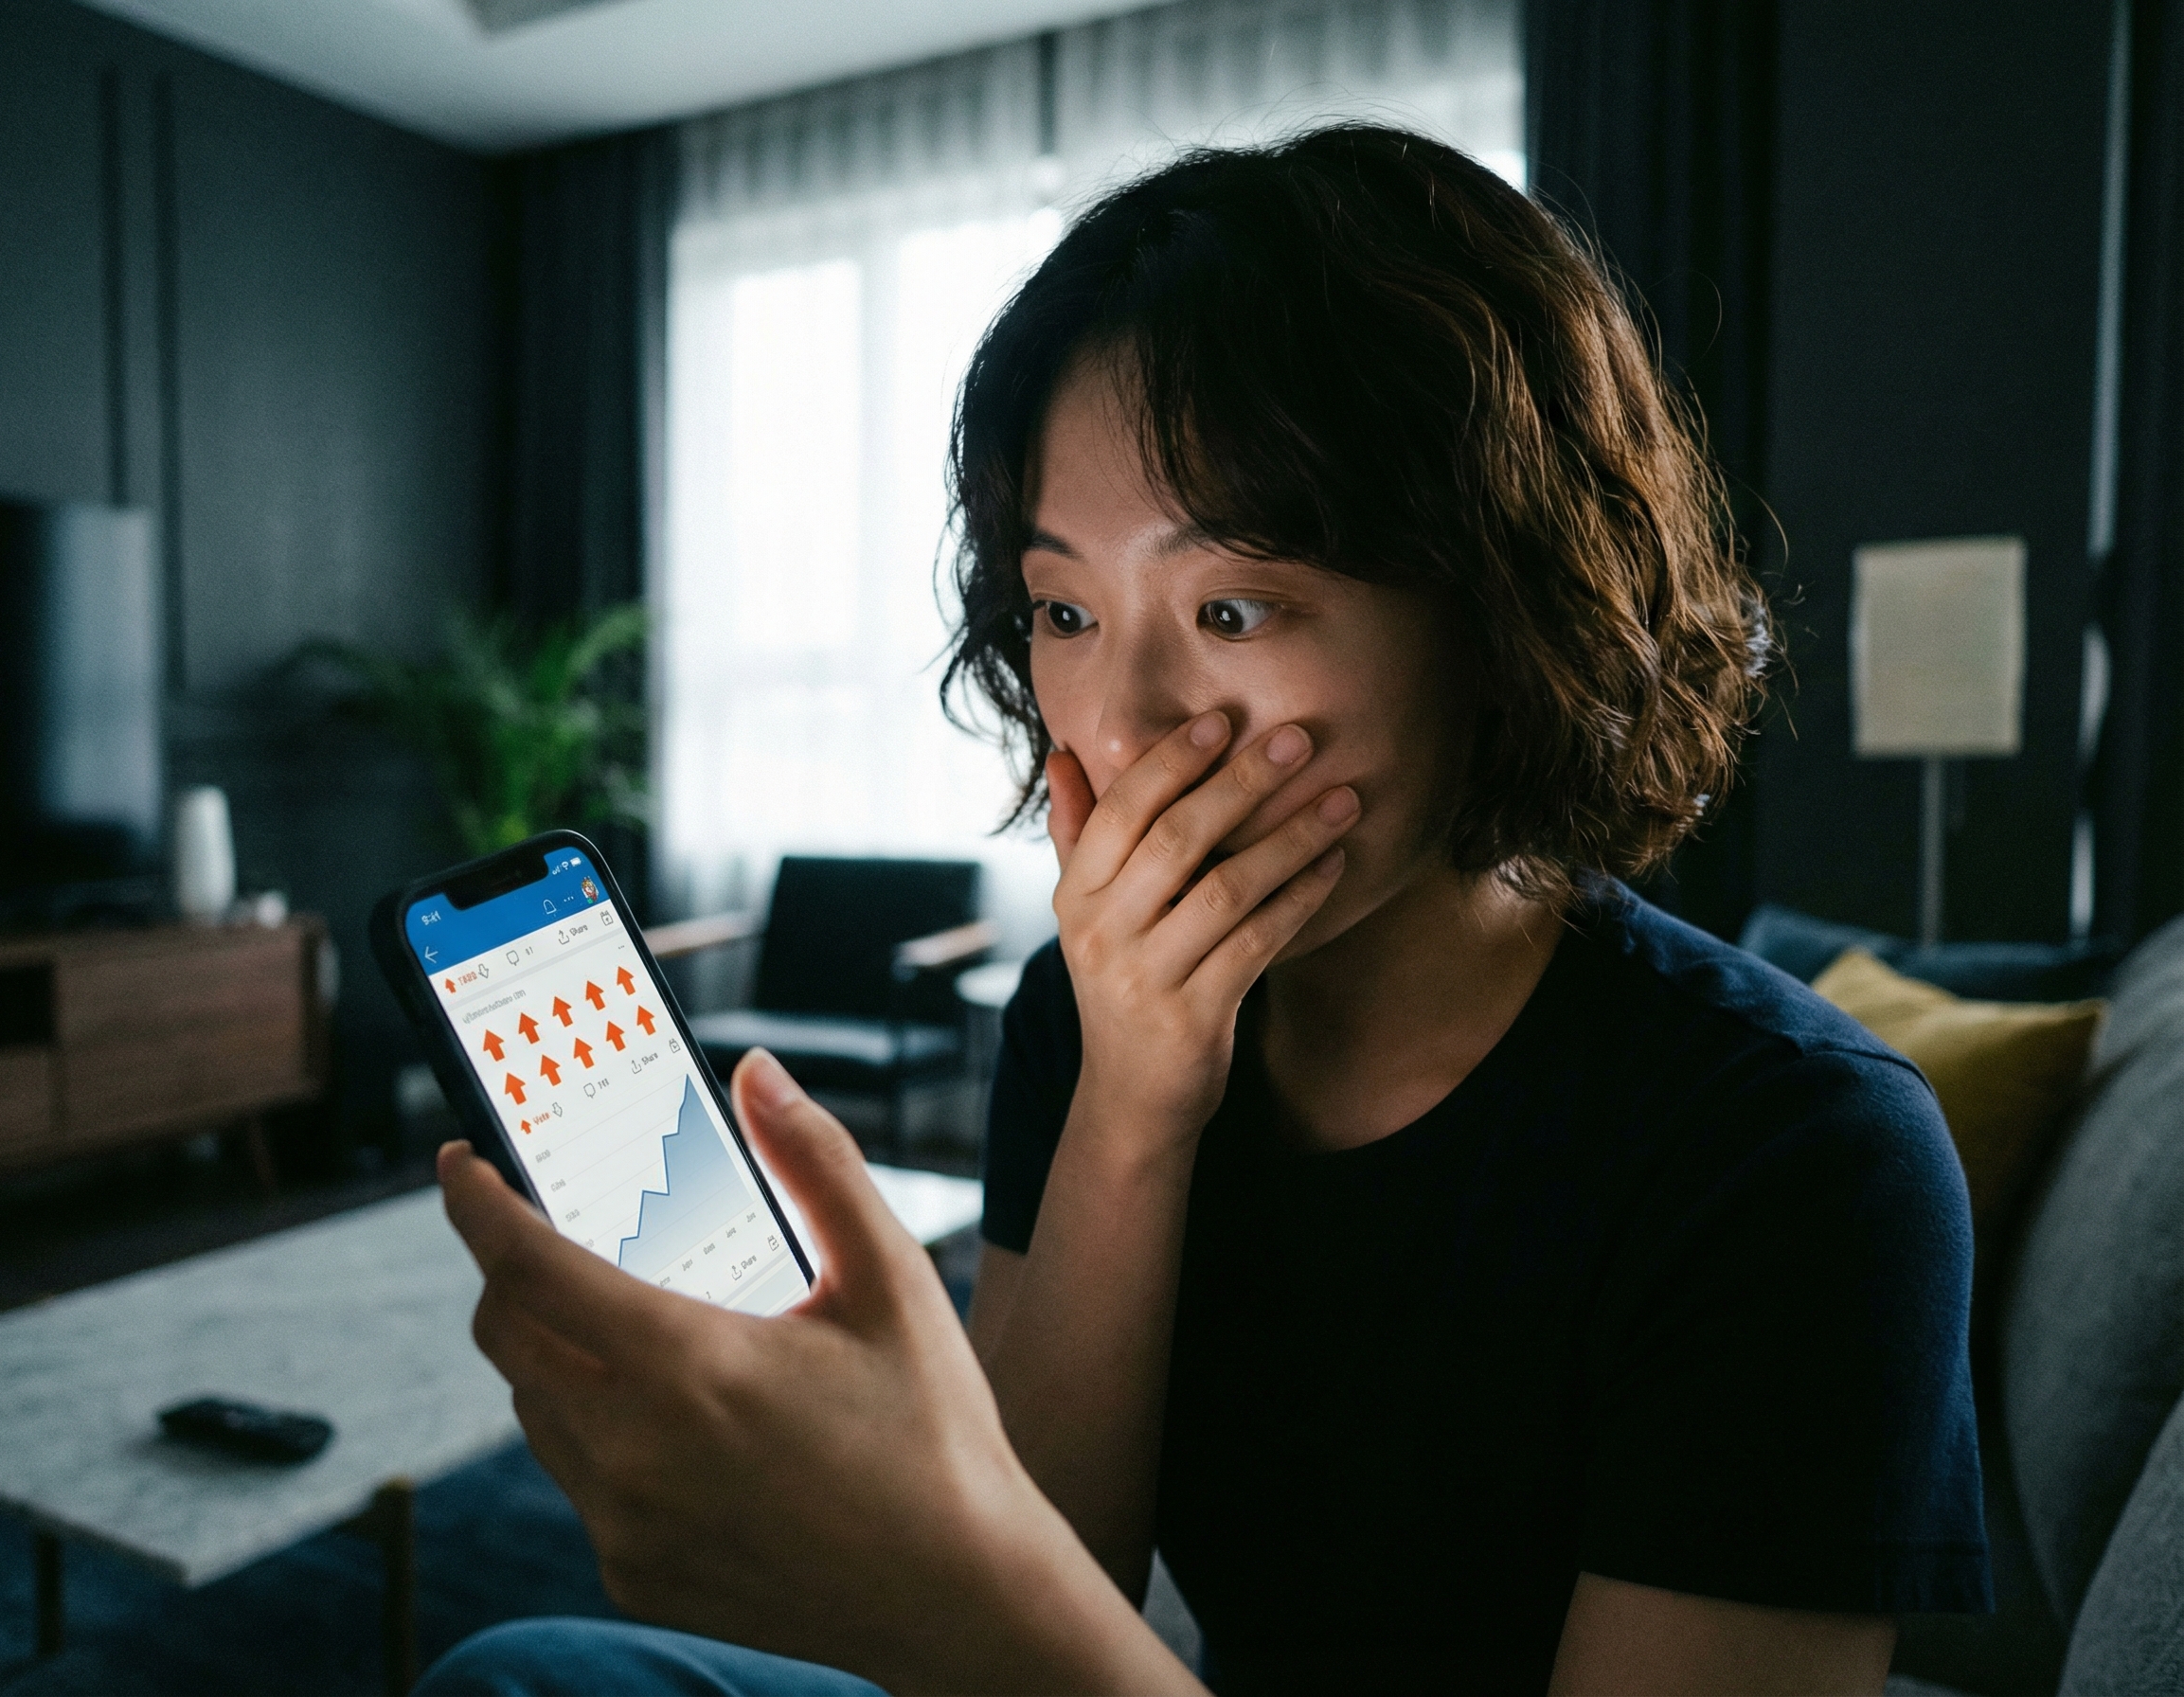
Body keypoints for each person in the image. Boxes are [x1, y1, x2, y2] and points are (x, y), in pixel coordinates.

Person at [421, 126, 1989, 1697]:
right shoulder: (1077, 1018)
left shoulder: (1799, 1161)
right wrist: (1134, 1109)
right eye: (1065, 611)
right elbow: (1064, 1577)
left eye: (1233, 609)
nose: (1125, 723)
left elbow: (1002, 1622)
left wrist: (923, 1554)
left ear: (1501, 612)